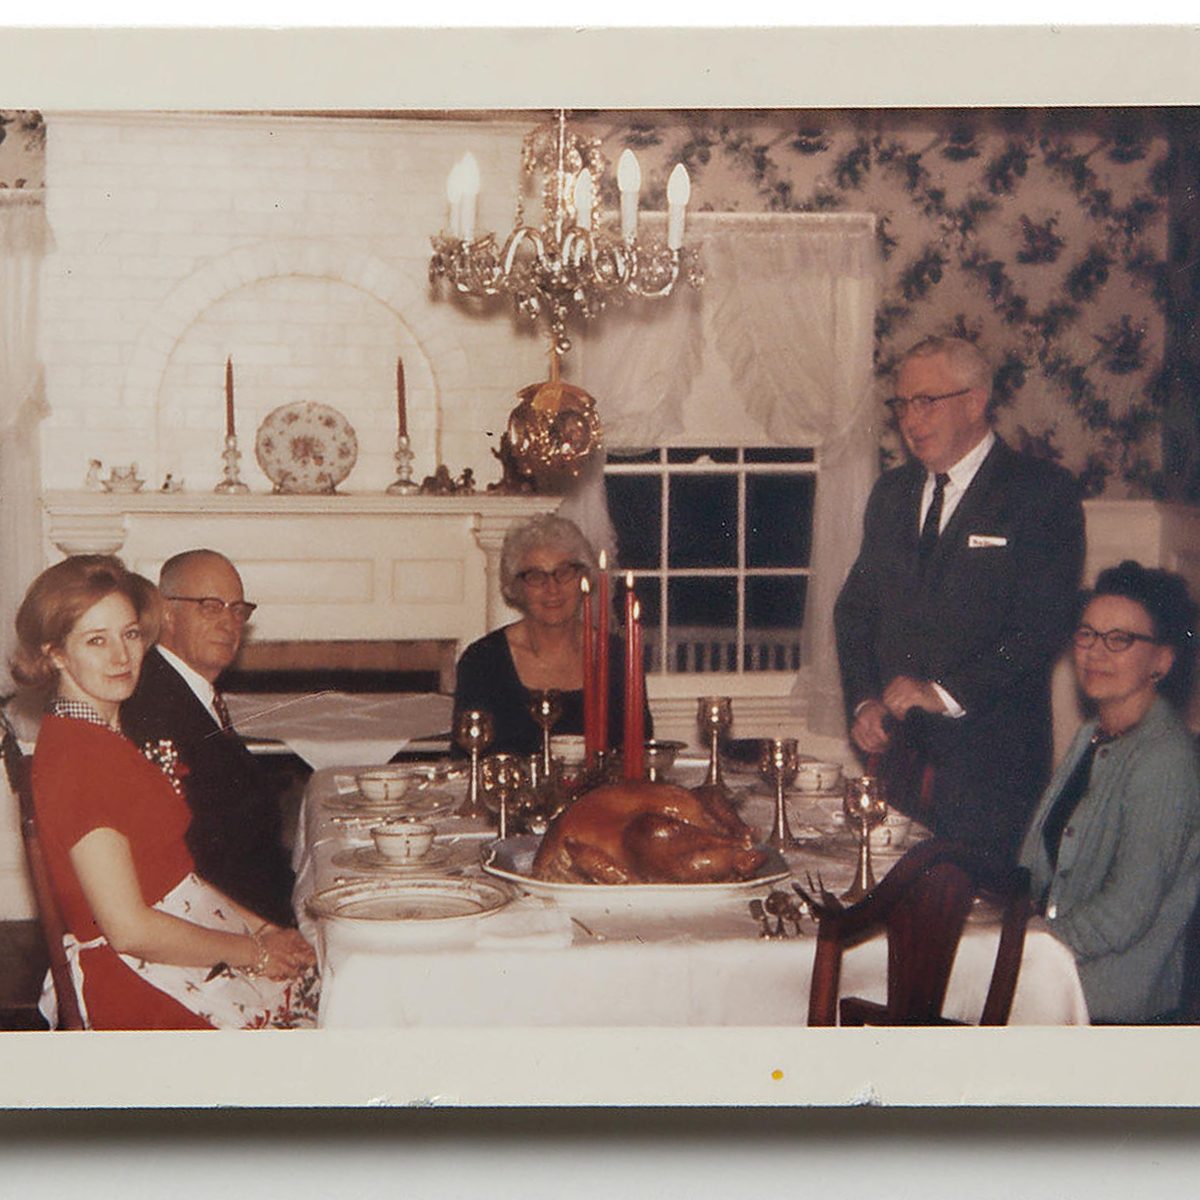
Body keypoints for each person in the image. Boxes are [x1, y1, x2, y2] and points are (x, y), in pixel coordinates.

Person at [12, 555, 316, 1030]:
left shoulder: (105, 736)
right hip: (138, 981)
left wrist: (265, 928)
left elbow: (176, 874)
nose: (121, 657)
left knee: (335, 985)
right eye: (96, 640)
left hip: (183, 941)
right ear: (55, 653)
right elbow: (129, 929)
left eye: (130, 634)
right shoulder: (77, 760)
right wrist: (253, 952)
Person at [834, 335, 1085, 862]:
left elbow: (1043, 626)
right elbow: (854, 611)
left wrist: (943, 691)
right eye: (902, 403)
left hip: (993, 773)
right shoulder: (891, 494)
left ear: (975, 402)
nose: (910, 419)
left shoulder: (1040, 493)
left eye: (926, 401)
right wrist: (863, 700)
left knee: (982, 930)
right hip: (901, 767)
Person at [1018, 561, 1200, 1023]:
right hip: (1058, 976)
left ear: (1162, 661)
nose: (1095, 653)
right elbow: (1035, 865)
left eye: (1119, 639)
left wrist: (1029, 943)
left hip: (1112, 1004)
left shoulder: (1164, 758)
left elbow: (1126, 911)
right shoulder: (1092, 736)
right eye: (1087, 635)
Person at [121, 549, 296, 928]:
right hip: (217, 923)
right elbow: (181, 856)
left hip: (246, 901)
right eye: (210, 606)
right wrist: (271, 930)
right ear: (166, 612)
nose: (229, 622)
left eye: (237, 610)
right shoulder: (153, 702)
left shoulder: (190, 689)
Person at [452, 514, 651, 757]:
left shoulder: (618, 656)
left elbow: (639, 753)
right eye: (536, 576)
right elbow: (464, 765)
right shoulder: (482, 662)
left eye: (564, 572)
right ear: (516, 587)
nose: (552, 588)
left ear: (583, 579)